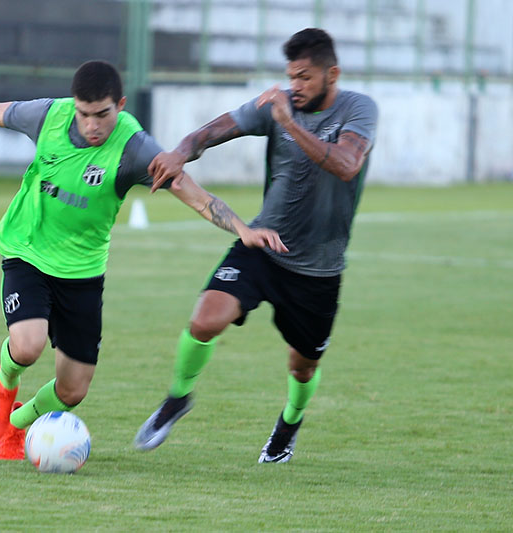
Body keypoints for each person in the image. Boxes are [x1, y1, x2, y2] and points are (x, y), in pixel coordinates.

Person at [0, 60, 286, 461]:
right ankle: (4, 382)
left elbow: (190, 192)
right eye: (84, 114)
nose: (92, 125)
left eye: (102, 114)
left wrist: (242, 229)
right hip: (27, 249)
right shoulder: (48, 116)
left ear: (120, 105)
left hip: (82, 272)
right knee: (28, 347)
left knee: (72, 391)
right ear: (74, 105)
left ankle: (18, 424)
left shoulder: (135, 147)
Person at [134, 28, 378, 463]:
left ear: (332, 74)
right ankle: (177, 398)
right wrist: (179, 153)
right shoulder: (277, 104)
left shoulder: (358, 109)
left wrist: (289, 123)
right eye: (291, 76)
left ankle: (290, 422)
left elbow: (347, 164)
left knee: (302, 366)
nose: (295, 86)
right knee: (205, 320)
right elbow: (216, 129)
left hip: (318, 269)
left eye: (305, 77)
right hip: (263, 244)